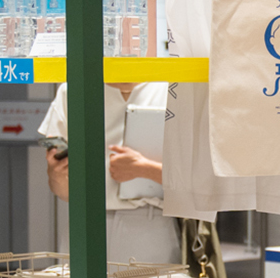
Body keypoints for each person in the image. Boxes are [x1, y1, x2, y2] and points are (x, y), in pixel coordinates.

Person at [40, 83, 181, 265]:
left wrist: (145, 169)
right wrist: (57, 174)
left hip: (150, 222)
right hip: (85, 221)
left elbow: (196, 181)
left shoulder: (171, 88)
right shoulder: (74, 89)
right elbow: (63, 191)